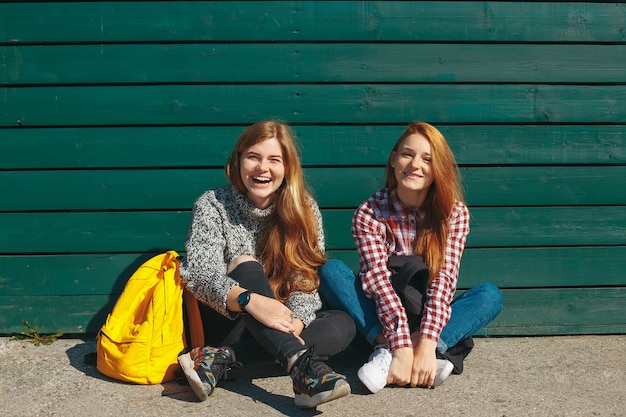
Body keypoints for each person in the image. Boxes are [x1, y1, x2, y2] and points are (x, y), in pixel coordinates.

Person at [178, 120, 355, 408]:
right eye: (253, 157)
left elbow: (305, 279)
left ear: (287, 168)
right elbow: (199, 274)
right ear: (238, 162)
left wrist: (294, 323)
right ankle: (301, 367)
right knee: (245, 263)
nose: (263, 168)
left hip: (280, 322)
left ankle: (222, 358)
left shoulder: (304, 208)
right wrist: (249, 300)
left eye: (274, 160)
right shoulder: (212, 204)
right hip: (229, 318)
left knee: (343, 324)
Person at [318, 121, 503, 394]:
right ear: (393, 159)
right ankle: (392, 348)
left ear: (437, 168)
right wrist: (401, 344)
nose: (414, 164)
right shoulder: (369, 212)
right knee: (331, 272)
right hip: (380, 313)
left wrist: (426, 342)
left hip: (426, 312)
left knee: (490, 296)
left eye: (427, 159)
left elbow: (444, 281)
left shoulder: (454, 213)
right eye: (407, 154)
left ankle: (405, 353)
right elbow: (378, 282)